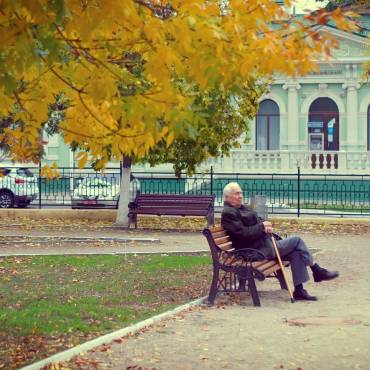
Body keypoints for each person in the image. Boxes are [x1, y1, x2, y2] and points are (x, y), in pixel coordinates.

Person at [221, 182, 339, 301]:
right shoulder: (229, 213)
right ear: (227, 197)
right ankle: (317, 270)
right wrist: (262, 227)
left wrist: (265, 225)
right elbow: (243, 234)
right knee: (297, 241)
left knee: (296, 253)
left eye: (241, 193)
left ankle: (299, 291)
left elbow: (257, 220)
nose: (241, 196)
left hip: (261, 246)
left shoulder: (241, 208)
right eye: (237, 194)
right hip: (254, 251)